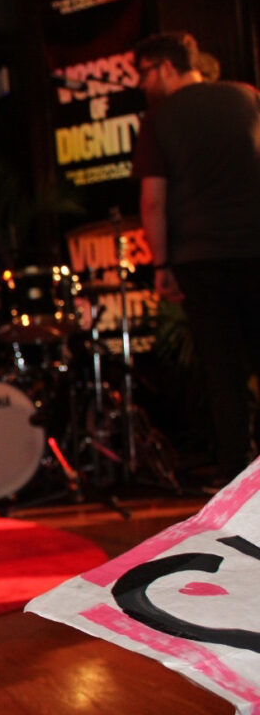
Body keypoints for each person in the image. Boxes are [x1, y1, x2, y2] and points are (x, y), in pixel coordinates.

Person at [132, 32, 260, 484]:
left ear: (166, 66)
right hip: (257, 250)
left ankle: (237, 478)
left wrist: (161, 265)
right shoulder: (248, 98)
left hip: (200, 260)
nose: (142, 84)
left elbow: (153, 201)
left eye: (144, 73)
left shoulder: (160, 119)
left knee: (223, 372)